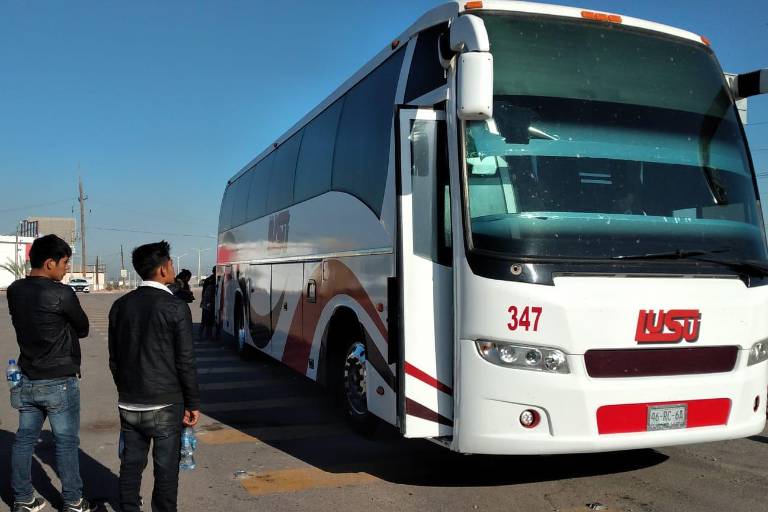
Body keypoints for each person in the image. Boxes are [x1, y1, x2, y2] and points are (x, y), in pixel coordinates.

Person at [108, 241, 200, 512]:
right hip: (165, 404)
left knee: (131, 464)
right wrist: (192, 403)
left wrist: (125, 390)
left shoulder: (120, 305)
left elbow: (115, 358)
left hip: (129, 402)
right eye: (170, 263)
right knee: (166, 469)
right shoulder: (175, 307)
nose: (172, 268)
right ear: (162, 270)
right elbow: (185, 361)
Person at [6, 234, 92, 512]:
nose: (67, 268)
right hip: (59, 380)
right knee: (66, 442)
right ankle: (73, 500)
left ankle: (22, 498)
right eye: (65, 262)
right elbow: (82, 327)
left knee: (24, 439)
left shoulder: (15, 290)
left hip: (27, 376)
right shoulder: (61, 293)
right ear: (49, 262)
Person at [199, 267, 216, 339]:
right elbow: (205, 292)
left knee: (208, 320)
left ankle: (206, 335)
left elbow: (203, 292)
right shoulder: (212, 280)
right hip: (208, 302)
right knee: (207, 320)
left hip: (207, 302)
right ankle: (206, 335)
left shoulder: (209, 279)